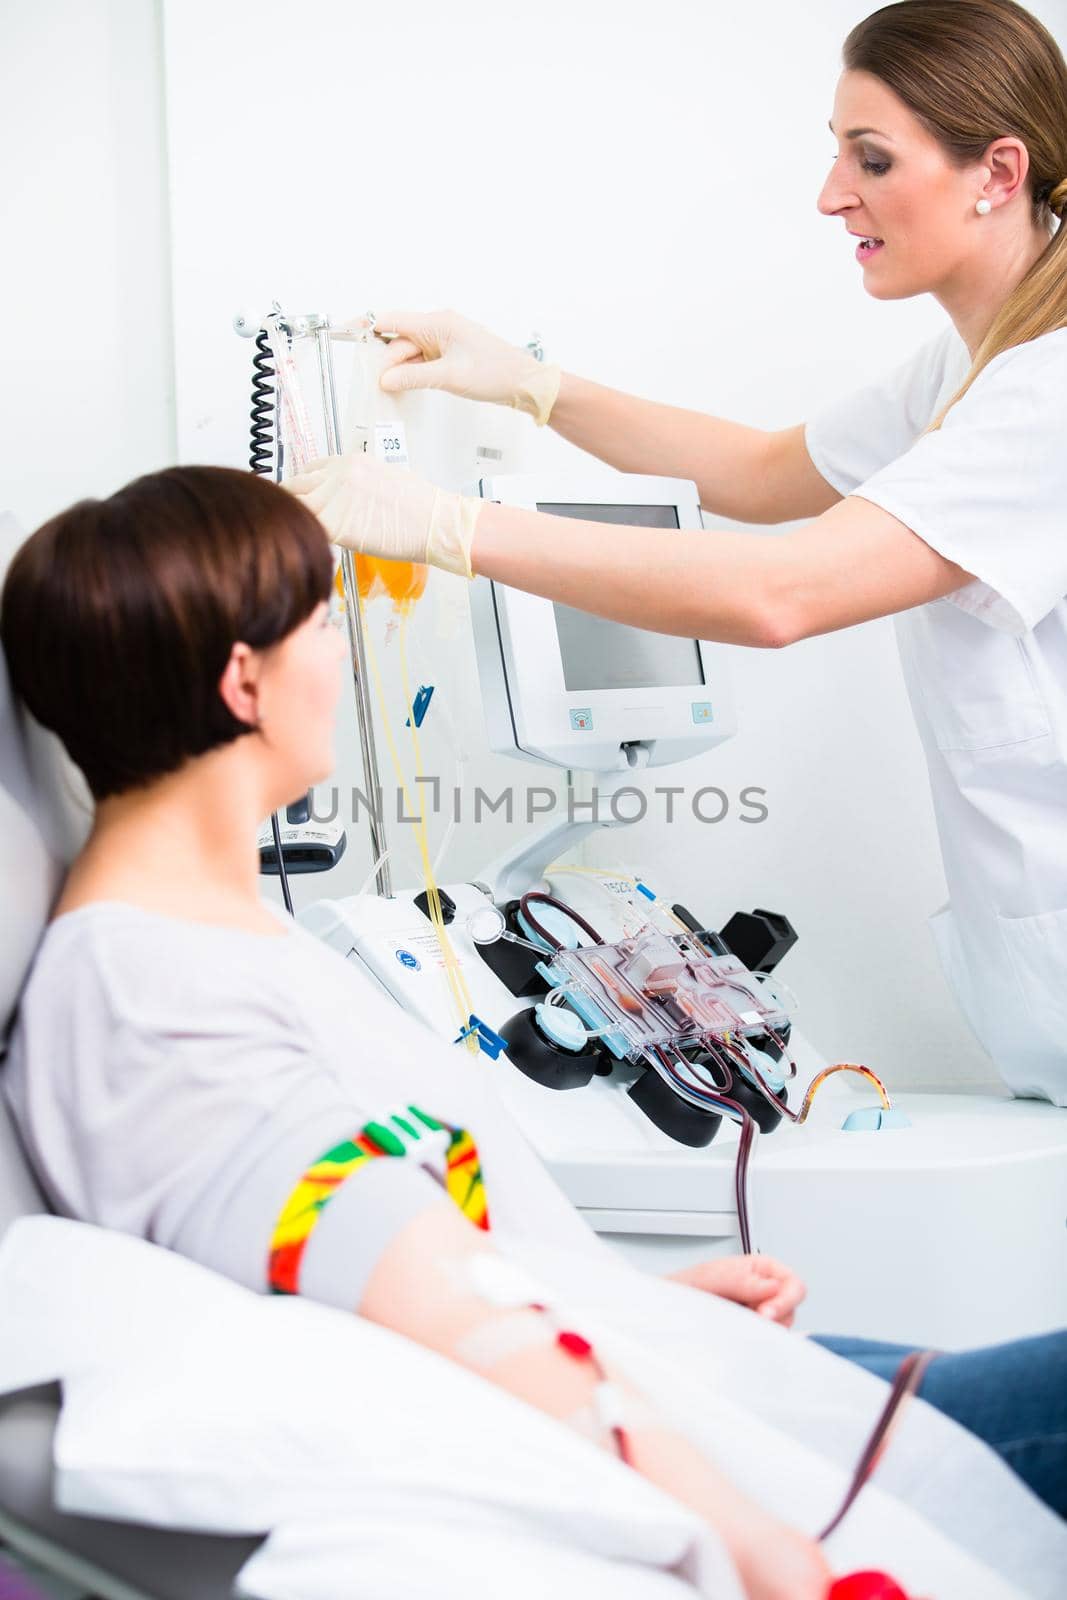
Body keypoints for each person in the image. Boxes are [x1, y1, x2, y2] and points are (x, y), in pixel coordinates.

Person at [1, 468, 1064, 1600]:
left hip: (673, 1368)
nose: (345, 656)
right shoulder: (147, 995)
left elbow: (429, 1242)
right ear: (244, 678)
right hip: (677, 1440)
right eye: (325, 624)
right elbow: (434, 1299)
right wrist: (751, 1542)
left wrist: (632, 1298)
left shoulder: (222, 936)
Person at [289, 0, 1067, 1109]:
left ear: (995, 171)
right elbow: (759, 474)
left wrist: (450, 528)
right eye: (833, 153)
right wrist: (531, 385)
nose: (829, 194)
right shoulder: (967, 370)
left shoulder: (1048, 389)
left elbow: (776, 593)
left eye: (871, 158)